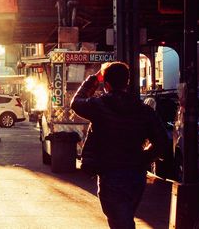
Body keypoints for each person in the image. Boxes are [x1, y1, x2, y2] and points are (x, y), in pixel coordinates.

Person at [70, 61, 168, 229]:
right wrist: (143, 158)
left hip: (110, 173)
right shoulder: (143, 109)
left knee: (120, 222)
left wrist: (93, 79)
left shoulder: (99, 106)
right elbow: (162, 141)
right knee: (125, 218)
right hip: (136, 175)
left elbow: (76, 103)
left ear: (106, 84)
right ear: (127, 82)